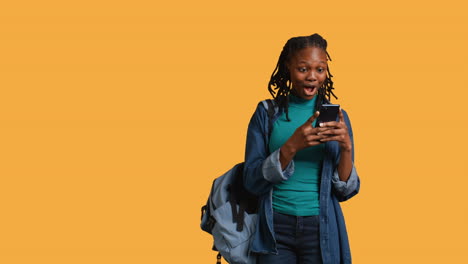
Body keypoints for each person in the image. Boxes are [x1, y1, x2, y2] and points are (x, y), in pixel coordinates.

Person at [243, 34, 360, 264]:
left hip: (321, 227)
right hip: (275, 227)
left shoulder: (337, 117)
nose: (312, 77)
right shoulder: (266, 114)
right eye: (303, 69)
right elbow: (251, 181)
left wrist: (346, 148)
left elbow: (345, 191)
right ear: (288, 67)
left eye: (320, 69)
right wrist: (292, 146)